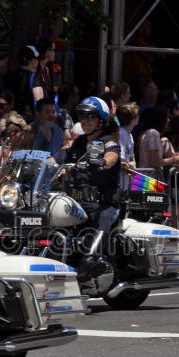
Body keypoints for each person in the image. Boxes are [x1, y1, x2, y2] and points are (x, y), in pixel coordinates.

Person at [63, 96, 121, 282]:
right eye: (82, 115)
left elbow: (112, 156)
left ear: (101, 120)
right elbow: (60, 162)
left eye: (91, 116)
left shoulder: (108, 141)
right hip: (77, 202)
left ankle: (91, 262)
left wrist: (103, 161)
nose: (85, 120)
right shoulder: (78, 143)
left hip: (102, 202)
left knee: (102, 220)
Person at [33, 97, 66, 163]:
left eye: (53, 112)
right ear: (37, 114)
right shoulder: (30, 131)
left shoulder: (59, 132)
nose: (51, 115)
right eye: (47, 112)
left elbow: (60, 156)